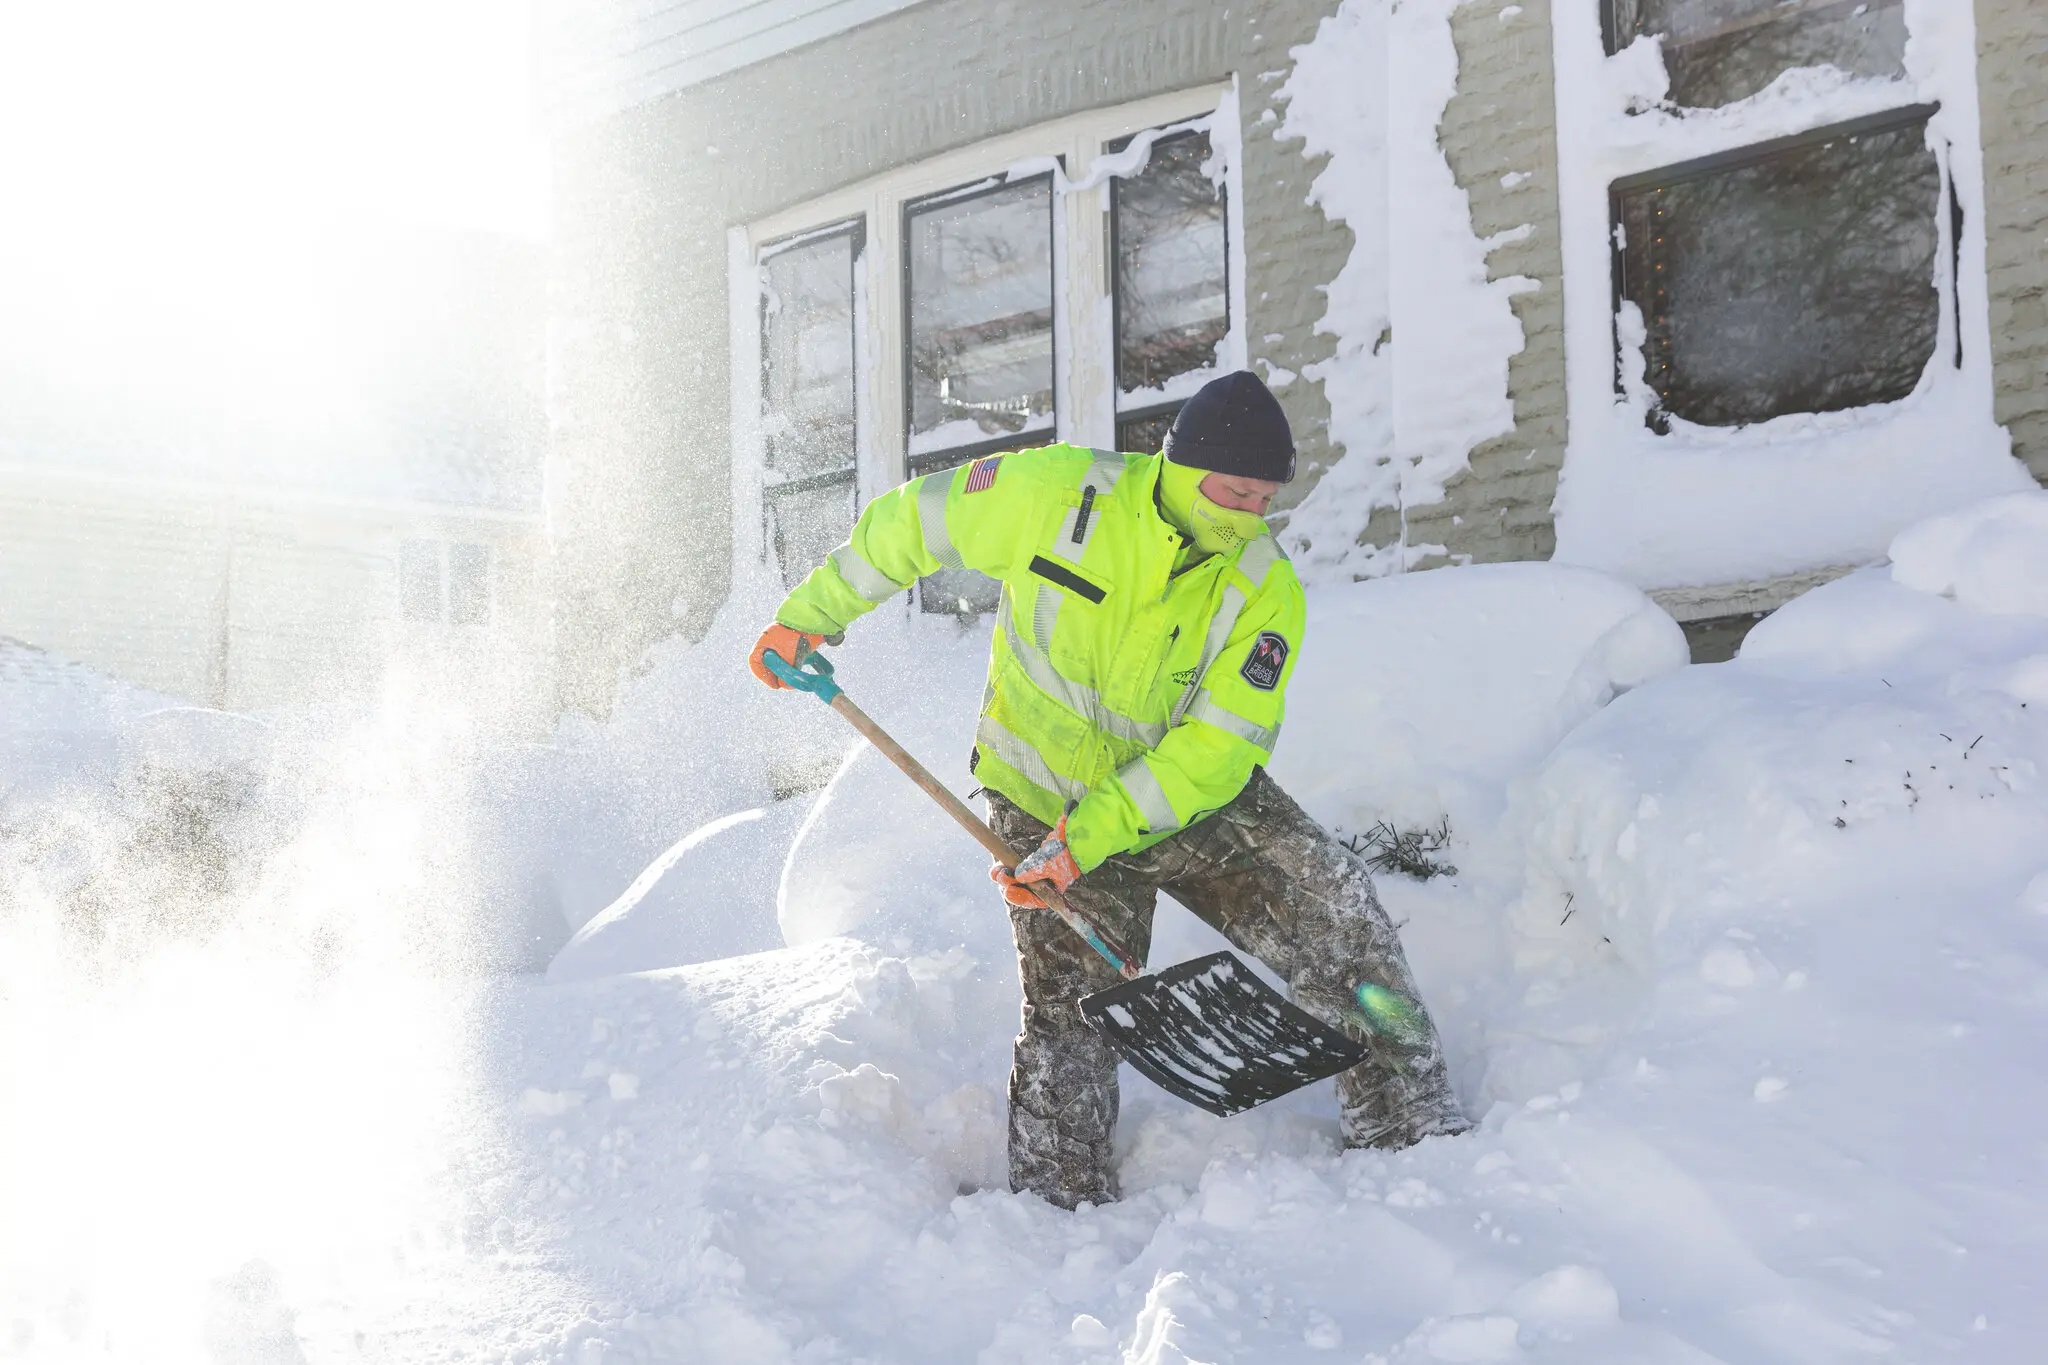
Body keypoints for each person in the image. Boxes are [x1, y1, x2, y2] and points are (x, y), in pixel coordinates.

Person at [749, 370, 1467, 1208]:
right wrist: (812, 612)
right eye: (1233, 492)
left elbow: (1219, 746)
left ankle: (1413, 1134)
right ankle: (1061, 1204)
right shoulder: (1059, 494)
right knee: (1071, 1011)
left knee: (1337, 907)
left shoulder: (1263, 588)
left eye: (1265, 499)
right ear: (1180, 463)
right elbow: (916, 521)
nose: (1247, 517)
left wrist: (1094, 834)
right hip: (1039, 791)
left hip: (1179, 800)